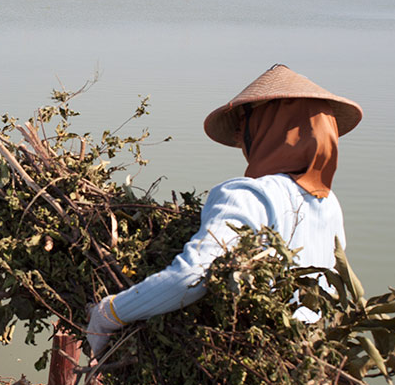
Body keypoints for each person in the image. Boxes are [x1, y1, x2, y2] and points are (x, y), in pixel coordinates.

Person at [86, 64, 363, 356]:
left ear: (266, 127)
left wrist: (109, 314)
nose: (239, 137)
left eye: (244, 125)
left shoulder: (249, 195)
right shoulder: (328, 203)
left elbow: (193, 276)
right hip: (307, 359)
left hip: (250, 361)